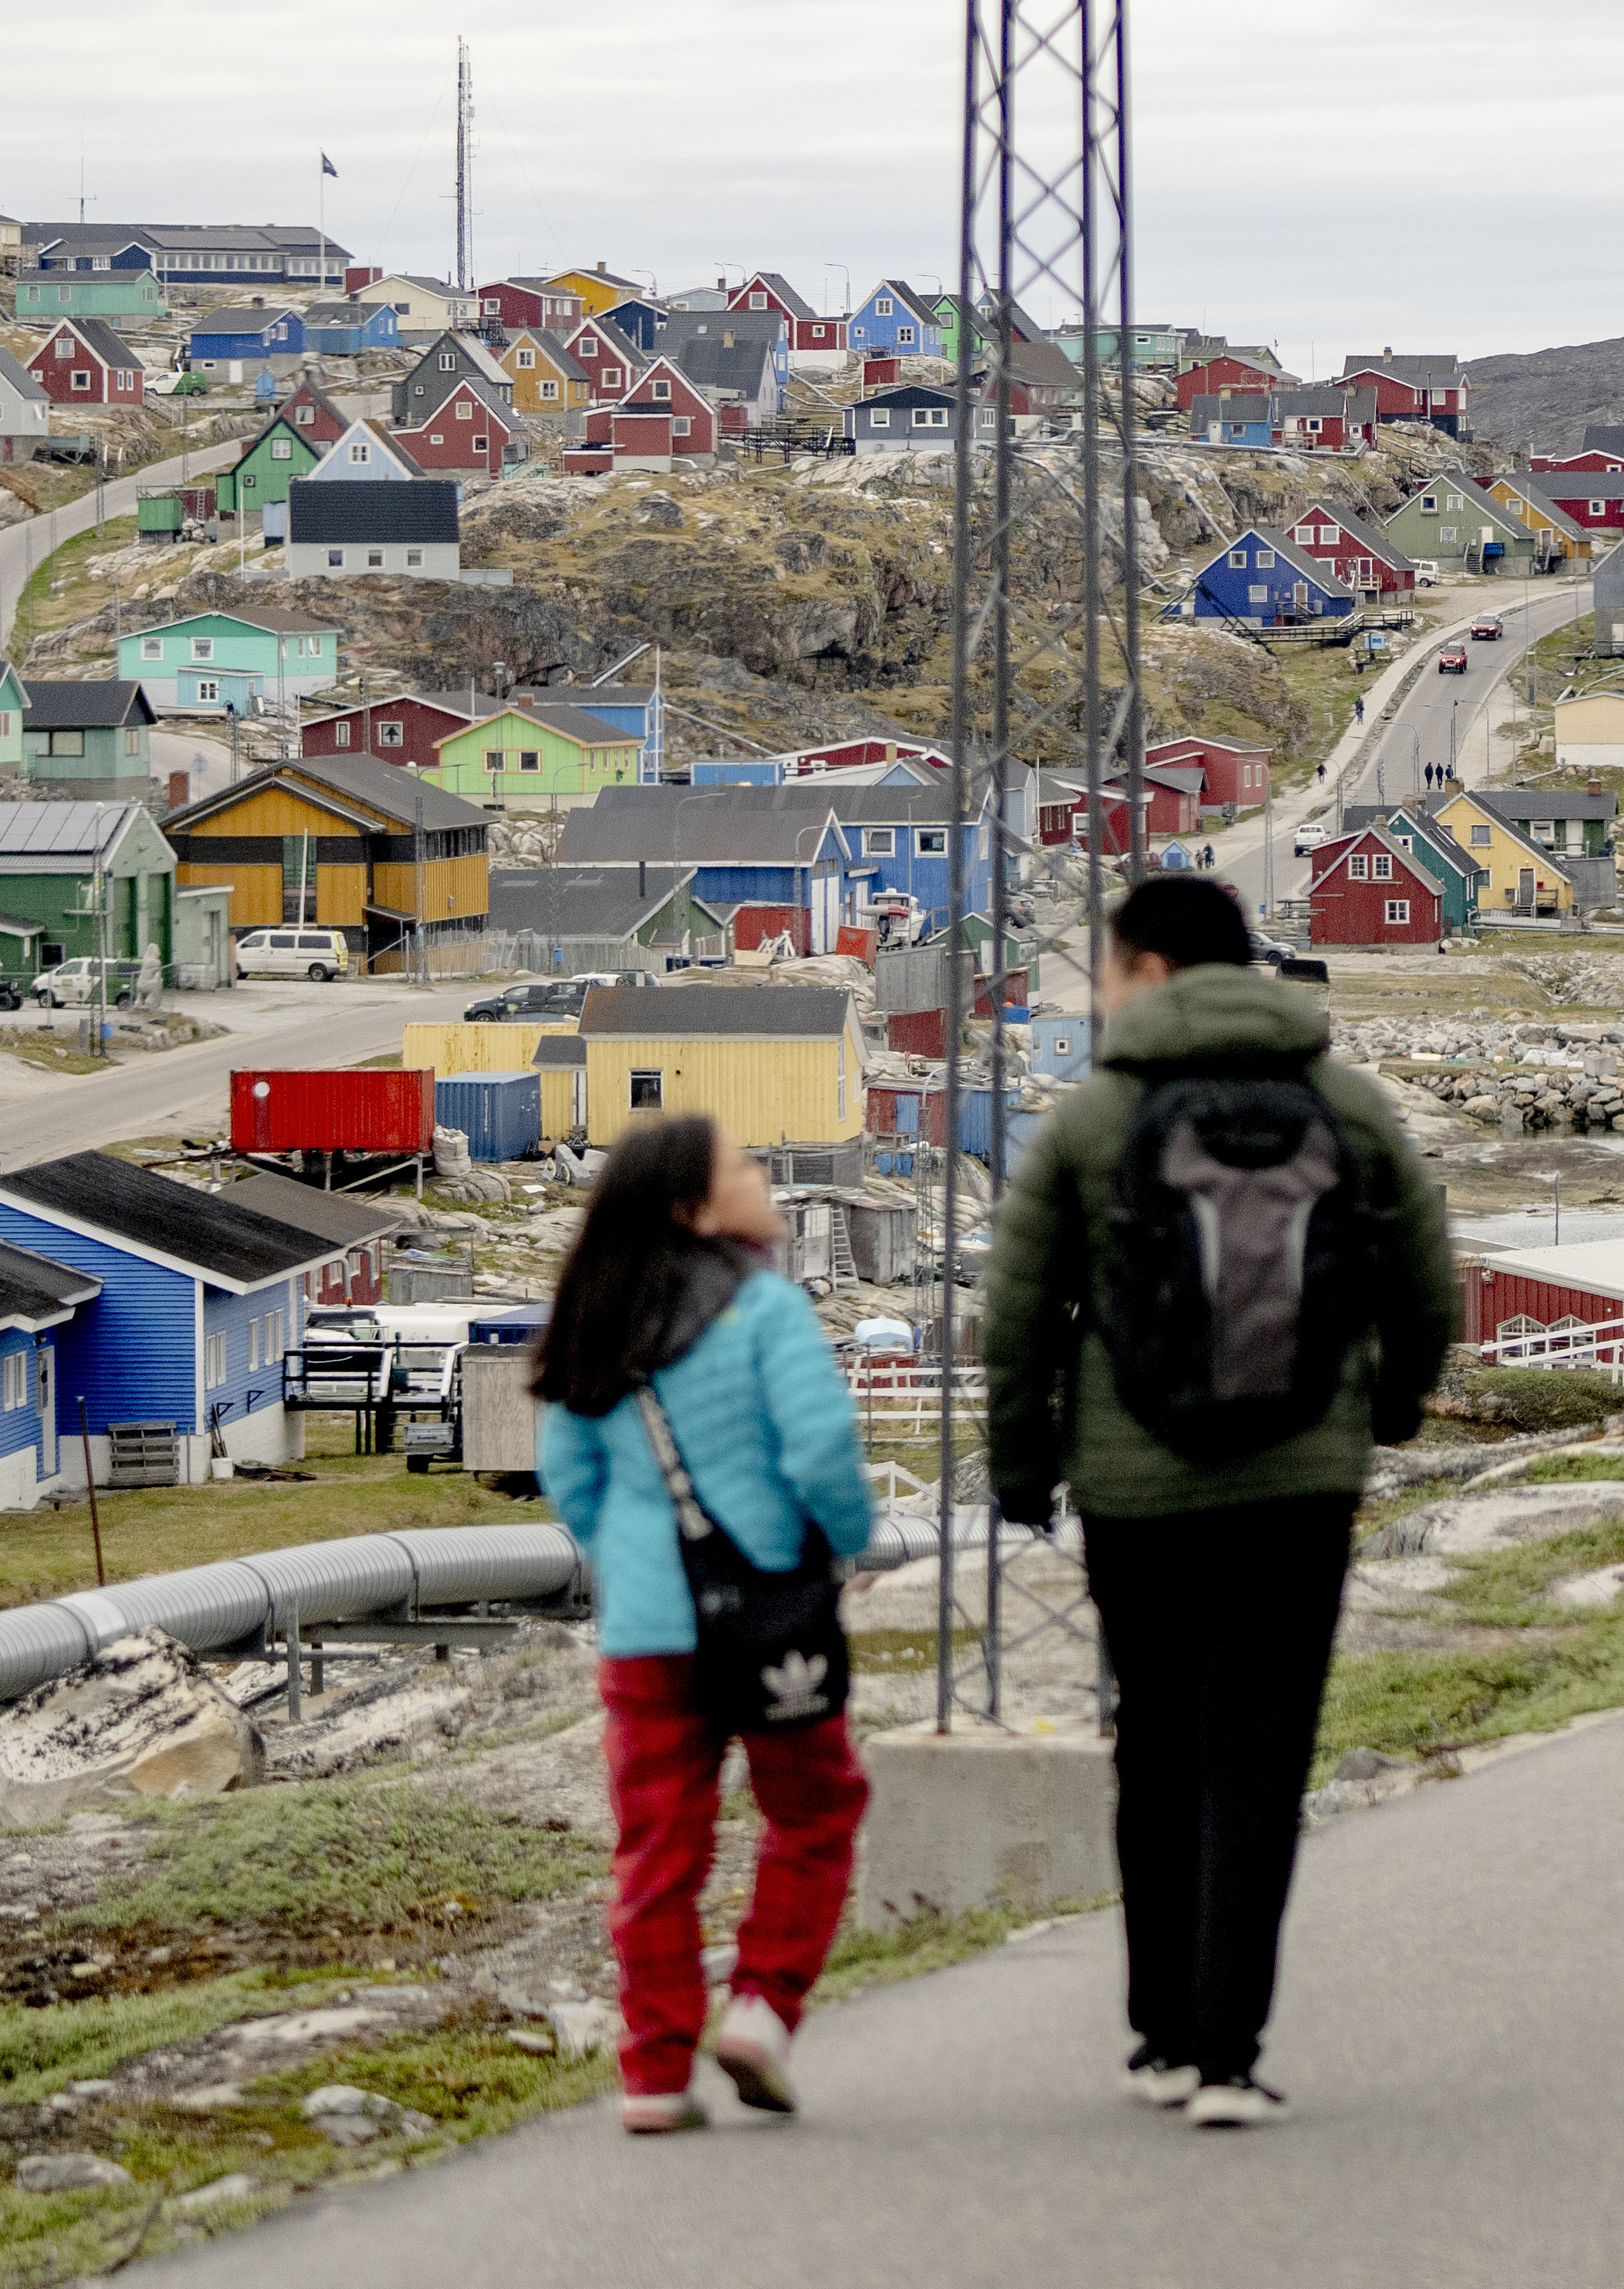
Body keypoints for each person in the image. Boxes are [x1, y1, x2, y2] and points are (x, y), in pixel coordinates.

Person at [985, 875, 1455, 2129]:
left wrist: (1023, 1465)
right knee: (1258, 1750)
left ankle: (1159, 2035)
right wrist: (1390, 1407)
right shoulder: (1344, 1102)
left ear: (1144, 971)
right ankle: (1230, 2051)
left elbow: (1017, 1312)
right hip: (1301, 1481)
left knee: (1155, 1738)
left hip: (1136, 1490)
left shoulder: (1092, 1119)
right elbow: (1426, 1280)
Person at [539, 1114, 879, 2135]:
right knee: (816, 1811)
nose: (762, 1171)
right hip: (768, 1610)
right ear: (696, 1206)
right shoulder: (765, 1309)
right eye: (740, 1165)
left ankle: (651, 2072)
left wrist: (640, 1559)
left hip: (647, 1631)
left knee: (657, 1849)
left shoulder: (597, 1314)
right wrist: (837, 1545)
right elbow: (821, 1448)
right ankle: (763, 2009)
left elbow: (569, 1476)